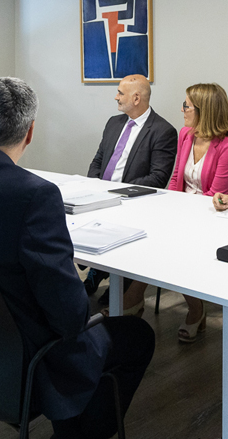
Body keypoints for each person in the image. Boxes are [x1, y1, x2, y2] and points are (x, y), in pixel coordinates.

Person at [0, 77, 155, 439]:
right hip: (21, 368)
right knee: (136, 334)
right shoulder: (34, 196)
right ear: (30, 133)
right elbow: (71, 316)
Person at [118, 83, 228, 342]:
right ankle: (148, 300)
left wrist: (178, 218)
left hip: (217, 217)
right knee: (150, 233)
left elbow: (216, 195)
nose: (182, 109)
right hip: (184, 211)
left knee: (170, 244)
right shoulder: (187, 134)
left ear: (204, 110)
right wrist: (169, 210)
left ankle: (146, 300)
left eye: (187, 105)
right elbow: (177, 178)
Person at [83, 74, 177, 296]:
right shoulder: (113, 123)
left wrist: (116, 193)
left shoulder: (162, 131)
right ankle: (97, 271)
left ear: (136, 98)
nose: (116, 97)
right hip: (101, 195)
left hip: (134, 202)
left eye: (120, 93)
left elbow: (158, 178)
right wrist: (94, 185)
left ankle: (119, 282)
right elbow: (98, 159)